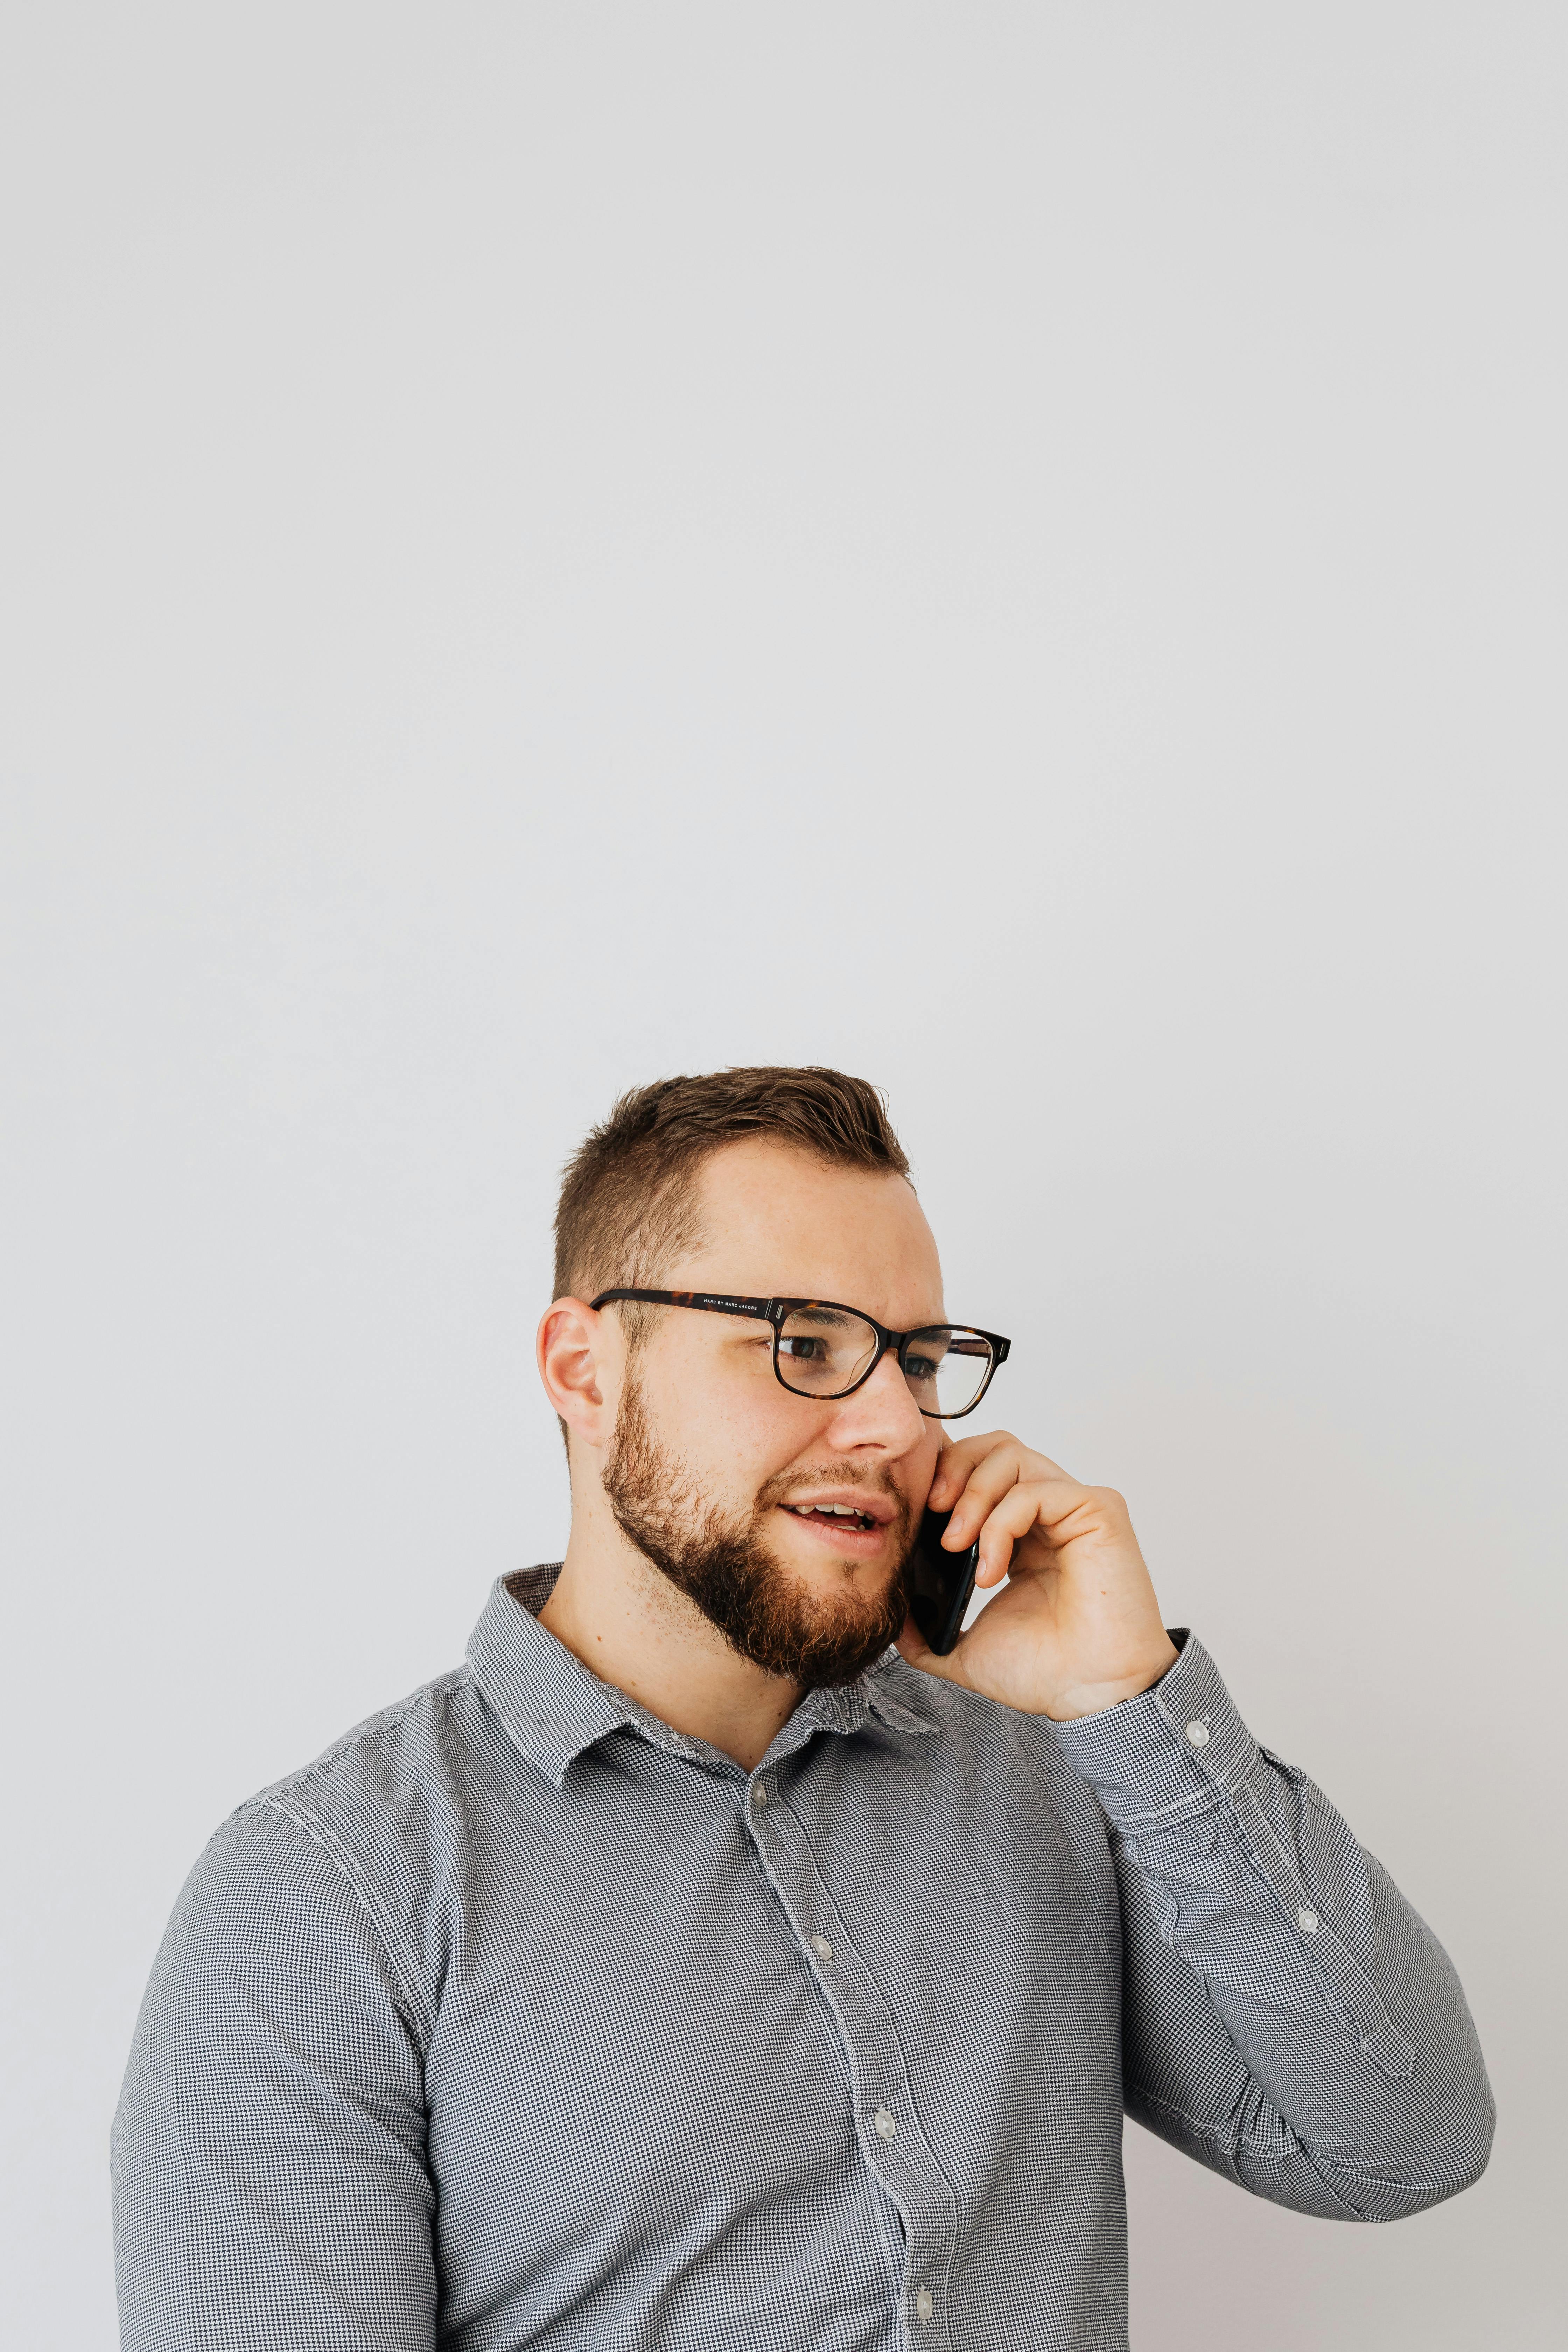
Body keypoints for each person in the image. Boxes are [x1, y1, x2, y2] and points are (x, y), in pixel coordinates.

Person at [111, 1065, 1494, 2352]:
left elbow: (1402, 2144)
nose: (895, 1426)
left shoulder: (1055, 1767)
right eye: (805, 1342)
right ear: (585, 1371)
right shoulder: (324, 1898)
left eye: (917, 1359)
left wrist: (1130, 1701)